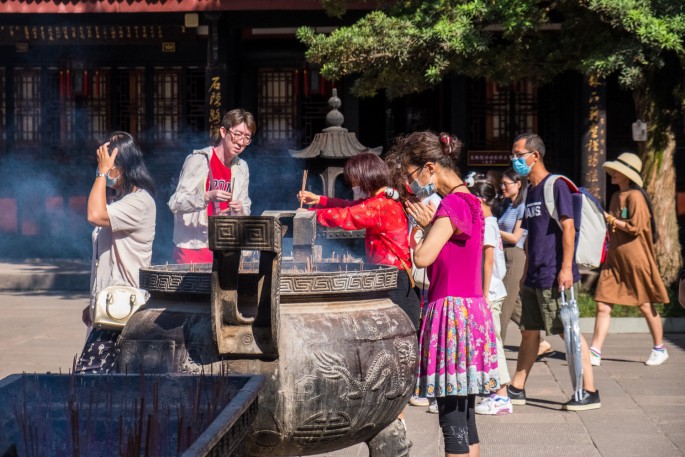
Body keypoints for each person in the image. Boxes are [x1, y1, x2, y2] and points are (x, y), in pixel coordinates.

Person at [401, 131, 499, 457]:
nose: (410, 182)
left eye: (412, 174)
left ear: (430, 167)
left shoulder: (452, 204)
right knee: (465, 415)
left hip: (451, 315)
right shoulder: (470, 199)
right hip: (471, 311)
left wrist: (426, 228)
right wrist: (433, 226)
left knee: (452, 418)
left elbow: (423, 257)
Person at [507, 132, 600, 411]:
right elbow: (535, 235)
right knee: (529, 332)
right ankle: (516, 388)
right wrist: (524, 272)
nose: (514, 160)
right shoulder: (530, 190)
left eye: (518, 154)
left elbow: (568, 227)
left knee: (568, 332)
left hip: (555, 274)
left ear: (535, 156)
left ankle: (589, 391)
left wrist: (566, 268)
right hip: (534, 275)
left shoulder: (555, 184)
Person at [298, 152, 421, 329]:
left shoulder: (380, 205)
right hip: (389, 276)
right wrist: (319, 200)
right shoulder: (381, 199)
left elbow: (347, 216)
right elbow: (351, 206)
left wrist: (311, 214)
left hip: (395, 279)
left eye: (355, 181)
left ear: (366, 177)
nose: (354, 186)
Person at [76, 131, 156, 373]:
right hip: (108, 306)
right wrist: (93, 301)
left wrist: (101, 173)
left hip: (123, 309)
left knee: (90, 381)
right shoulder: (122, 201)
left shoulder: (140, 202)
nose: (106, 172)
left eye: (110, 165)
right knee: (103, 387)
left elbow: (94, 215)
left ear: (122, 166)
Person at [590, 153, 670, 366]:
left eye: (617, 171)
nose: (612, 174)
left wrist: (612, 219)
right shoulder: (617, 196)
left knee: (644, 304)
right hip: (615, 259)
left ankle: (659, 348)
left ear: (627, 175)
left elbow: (636, 227)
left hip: (636, 259)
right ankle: (595, 351)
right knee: (603, 304)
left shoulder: (636, 196)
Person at [168, 109, 256, 264]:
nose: (241, 142)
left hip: (226, 246)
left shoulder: (242, 167)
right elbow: (175, 202)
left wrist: (239, 210)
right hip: (194, 248)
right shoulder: (198, 160)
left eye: (247, 138)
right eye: (237, 134)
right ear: (223, 132)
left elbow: (246, 208)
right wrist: (206, 197)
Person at [466, 173, 513, 416]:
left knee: (494, 344)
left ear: (481, 200)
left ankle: (502, 396)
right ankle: (494, 392)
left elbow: (488, 260)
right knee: (490, 343)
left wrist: (483, 294)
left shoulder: (488, 224)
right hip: (492, 290)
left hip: (491, 292)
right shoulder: (489, 223)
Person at [497, 169, 553, 357]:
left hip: (515, 256)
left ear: (518, 184)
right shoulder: (508, 206)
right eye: (502, 184)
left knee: (503, 306)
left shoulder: (522, 206)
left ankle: (496, 355)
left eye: (506, 183)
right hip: (504, 255)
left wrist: (491, 228)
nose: (502, 187)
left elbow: (515, 237)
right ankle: (542, 343)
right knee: (514, 305)